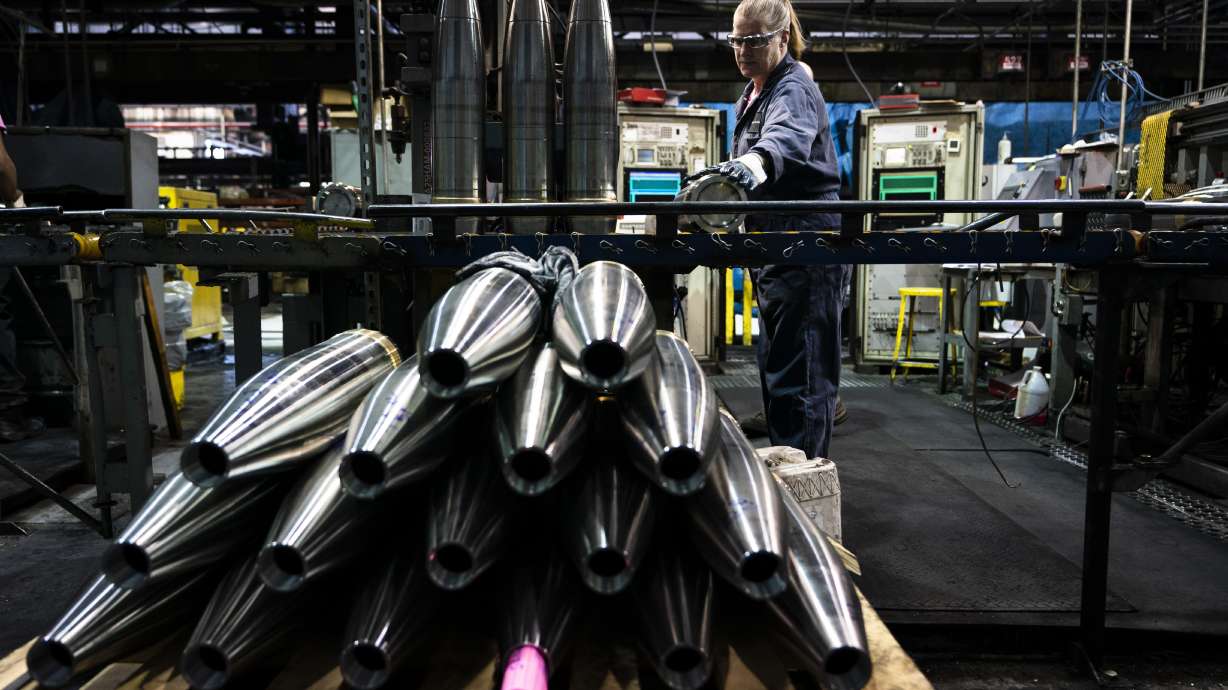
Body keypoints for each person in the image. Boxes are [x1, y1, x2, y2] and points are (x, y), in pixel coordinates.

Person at [690, 0, 849, 459]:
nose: (743, 50)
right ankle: (786, 473)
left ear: (781, 38)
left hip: (805, 246)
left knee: (803, 378)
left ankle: (807, 481)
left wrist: (753, 163)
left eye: (754, 40)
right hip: (776, 248)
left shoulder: (793, 87)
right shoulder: (754, 93)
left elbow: (785, 139)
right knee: (780, 370)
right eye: (736, 40)